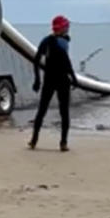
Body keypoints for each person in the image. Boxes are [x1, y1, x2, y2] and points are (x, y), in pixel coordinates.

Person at [30, 15, 78, 152]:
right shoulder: (62, 42)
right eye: (66, 26)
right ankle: (63, 143)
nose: (68, 29)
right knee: (64, 112)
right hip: (62, 80)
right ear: (61, 28)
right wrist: (74, 78)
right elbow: (66, 63)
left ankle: (34, 141)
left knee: (42, 110)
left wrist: (37, 79)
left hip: (49, 79)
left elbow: (36, 60)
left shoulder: (47, 41)